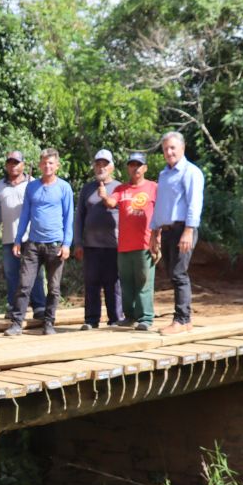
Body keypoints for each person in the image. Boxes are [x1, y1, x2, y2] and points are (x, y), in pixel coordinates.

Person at [5, 149, 74, 336]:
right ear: (39, 164)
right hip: (33, 244)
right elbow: (25, 214)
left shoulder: (64, 188)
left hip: (55, 245)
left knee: (54, 287)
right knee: (24, 284)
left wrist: (67, 243)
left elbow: (69, 217)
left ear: (57, 165)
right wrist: (18, 239)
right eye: (44, 162)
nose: (47, 166)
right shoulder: (32, 187)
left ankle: (49, 323)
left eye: (51, 163)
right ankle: (17, 323)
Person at [149, 131, 204, 335]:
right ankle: (186, 319)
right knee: (173, 273)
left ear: (182, 148)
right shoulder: (164, 175)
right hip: (167, 230)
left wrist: (189, 231)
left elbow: (194, 204)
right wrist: (155, 231)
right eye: (165, 149)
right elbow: (161, 205)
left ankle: (181, 319)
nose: (169, 152)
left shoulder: (191, 172)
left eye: (172, 148)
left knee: (179, 273)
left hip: (183, 229)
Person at [103, 152, 158, 331]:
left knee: (144, 282)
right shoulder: (121, 189)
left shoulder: (153, 187)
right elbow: (111, 203)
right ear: (128, 167)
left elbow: (161, 216)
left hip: (145, 244)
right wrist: (104, 196)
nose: (135, 168)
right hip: (124, 246)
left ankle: (146, 318)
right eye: (132, 164)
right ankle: (129, 316)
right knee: (126, 283)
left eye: (139, 165)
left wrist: (157, 241)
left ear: (145, 168)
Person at [0, 151, 45, 320]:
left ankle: (39, 306)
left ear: (23, 164)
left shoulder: (34, 184)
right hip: (9, 237)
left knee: (35, 273)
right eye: (10, 162)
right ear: (6, 165)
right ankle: (14, 306)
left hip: (31, 237)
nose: (13, 166)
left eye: (16, 162)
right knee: (12, 273)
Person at [76, 149, 125, 330]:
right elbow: (79, 216)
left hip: (114, 245)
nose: (101, 167)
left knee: (114, 284)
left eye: (105, 164)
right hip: (91, 245)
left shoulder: (120, 188)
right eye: (98, 164)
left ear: (111, 167)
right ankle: (91, 319)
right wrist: (78, 242)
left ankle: (115, 319)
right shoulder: (87, 189)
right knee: (91, 283)